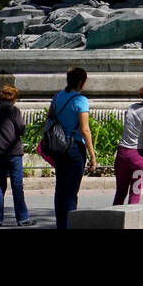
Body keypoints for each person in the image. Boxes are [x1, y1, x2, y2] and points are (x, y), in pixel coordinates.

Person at [50, 66, 96, 230]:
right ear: (81, 82)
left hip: (58, 146)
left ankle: (61, 225)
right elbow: (85, 129)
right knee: (71, 191)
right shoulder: (80, 100)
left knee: (60, 188)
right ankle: (69, 224)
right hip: (74, 147)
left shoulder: (57, 97)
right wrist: (92, 154)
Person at [0, 84, 32, 226]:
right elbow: (21, 130)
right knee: (17, 185)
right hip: (13, 152)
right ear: (12, 98)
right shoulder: (13, 111)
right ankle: (22, 218)